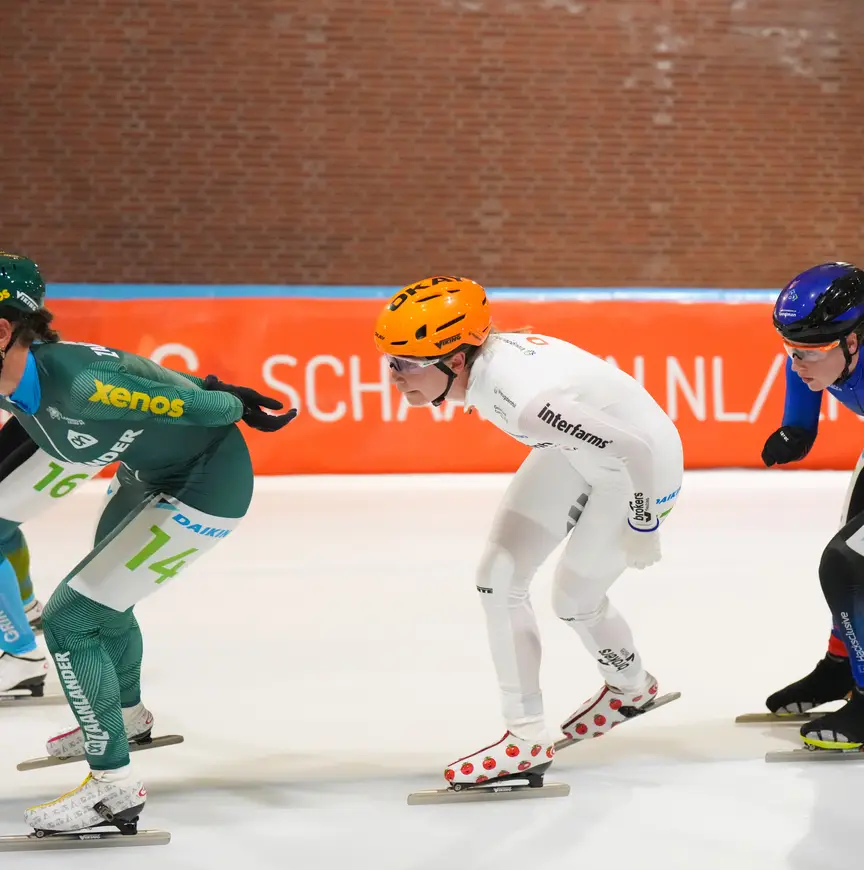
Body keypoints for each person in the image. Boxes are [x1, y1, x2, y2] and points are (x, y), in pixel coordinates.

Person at [0, 252, 297, 836]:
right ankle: (127, 714)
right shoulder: (21, 378)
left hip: (205, 484)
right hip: (144, 475)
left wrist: (222, 396)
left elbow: (211, 407)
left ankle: (112, 788)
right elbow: (143, 376)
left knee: (70, 616)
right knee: (107, 600)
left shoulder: (81, 385)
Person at [373, 275, 684, 790]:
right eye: (389, 361)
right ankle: (527, 736)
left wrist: (643, 521)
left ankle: (630, 687)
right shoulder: (488, 367)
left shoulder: (524, 402)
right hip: (578, 452)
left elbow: (635, 448)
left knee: (574, 601)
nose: (393, 376)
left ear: (455, 361)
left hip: (638, 472)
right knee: (497, 578)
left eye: (405, 364)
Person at [762, 261, 864, 751]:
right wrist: (796, 430)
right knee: (851, 553)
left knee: (846, 564)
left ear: (852, 341)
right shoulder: (825, 350)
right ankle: (842, 666)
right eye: (790, 348)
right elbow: (801, 380)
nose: (797, 362)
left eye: (809, 351)